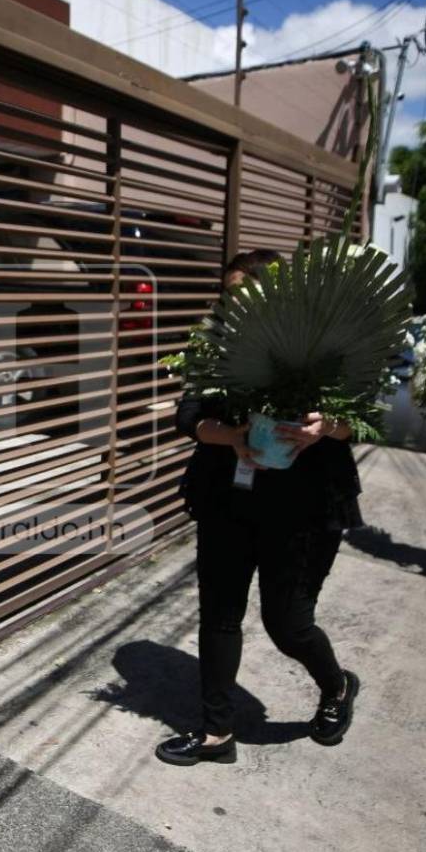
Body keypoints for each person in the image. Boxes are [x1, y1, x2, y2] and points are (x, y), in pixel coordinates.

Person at [156, 249, 362, 767]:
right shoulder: (213, 348)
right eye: (229, 295)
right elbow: (189, 417)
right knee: (219, 615)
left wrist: (324, 428)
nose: (235, 304)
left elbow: (354, 421)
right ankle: (216, 732)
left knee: (287, 623)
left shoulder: (321, 350)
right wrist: (233, 437)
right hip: (229, 496)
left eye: (246, 293)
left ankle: (337, 687)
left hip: (303, 509)